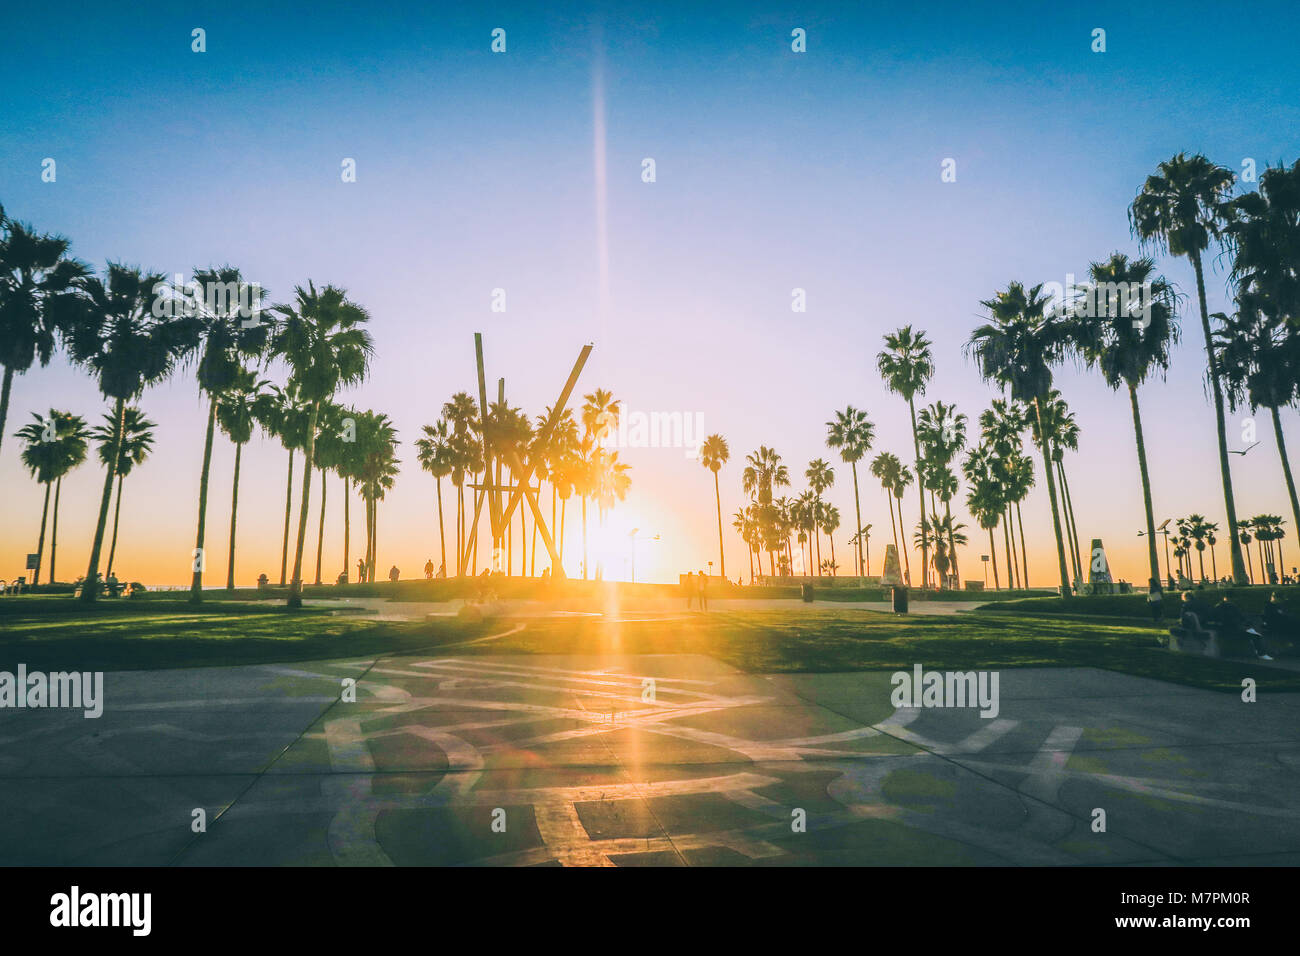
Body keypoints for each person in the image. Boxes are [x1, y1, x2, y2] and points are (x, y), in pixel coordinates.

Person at [1209, 595, 1272, 660]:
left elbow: (1214, 619)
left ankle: (1259, 654)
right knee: (1255, 636)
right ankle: (1261, 654)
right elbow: (1242, 619)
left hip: (1225, 630)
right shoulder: (1232, 608)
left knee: (1254, 635)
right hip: (1233, 630)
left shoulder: (1219, 608)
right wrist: (1246, 623)